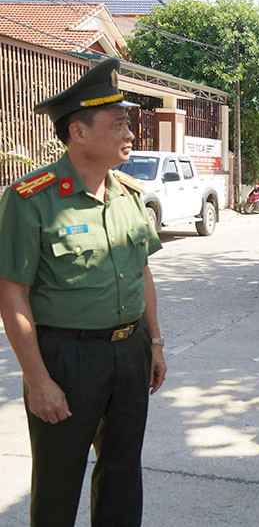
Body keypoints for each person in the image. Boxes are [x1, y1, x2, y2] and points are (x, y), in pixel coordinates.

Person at [0, 58, 165, 526]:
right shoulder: (32, 197)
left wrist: (154, 342)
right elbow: (11, 295)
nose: (130, 132)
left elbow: (143, 273)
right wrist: (38, 380)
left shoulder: (130, 195)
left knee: (122, 474)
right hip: (66, 358)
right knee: (57, 481)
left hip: (130, 353)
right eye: (118, 124)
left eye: (128, 122)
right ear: (78, 133)